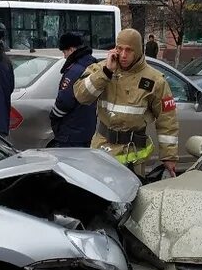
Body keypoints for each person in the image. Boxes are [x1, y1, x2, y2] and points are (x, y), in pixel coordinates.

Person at [72, 27, 179, 178]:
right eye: (120, 49)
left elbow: (167, 120)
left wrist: (169, 157)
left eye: (129, 50)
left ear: (138, 51)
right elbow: (81, 96)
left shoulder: (155, 80)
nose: (123, 55)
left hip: (132, 155)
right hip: (102, 150)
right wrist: (106, 72)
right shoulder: (102, 69)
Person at [50, 31, 98, 147]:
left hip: (71, 132)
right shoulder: (93, 66)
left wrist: (53, 117)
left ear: (71, 50)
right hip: (87, 129)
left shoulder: (74, 71)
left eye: (64, 52)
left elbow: (65, 101)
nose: (64, 56)